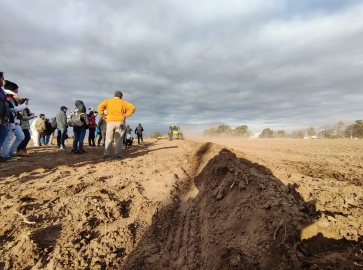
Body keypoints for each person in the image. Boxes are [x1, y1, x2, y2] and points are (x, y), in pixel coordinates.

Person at [98, 91, 135, 160]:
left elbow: (100, 107)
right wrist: (126, 115)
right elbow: (132, 107)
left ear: (114, 95)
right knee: (119, 140)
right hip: (120, 122)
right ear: (121, 96)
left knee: (108, 139)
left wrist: (103, 116)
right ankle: (118, 155)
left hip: (110, 121)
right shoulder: (124, 102)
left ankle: (106, 155)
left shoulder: (108, 101)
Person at [2, 80, 27, 160]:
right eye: (17, 89)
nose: (18, 90)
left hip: (14, 121)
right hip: (10, 120)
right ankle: (5, 155)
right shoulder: (9, 97)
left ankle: (10, 153)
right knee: (8, 137)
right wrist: (24, 105)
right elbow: (12, 109)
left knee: (20, 136)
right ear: (13, 89)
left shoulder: (12, 97)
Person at [0, 72, 9, 153]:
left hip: (3, 117)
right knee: (3, 133)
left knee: (4, 133)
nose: (3, 80)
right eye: (2, 78)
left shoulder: (1, 90)